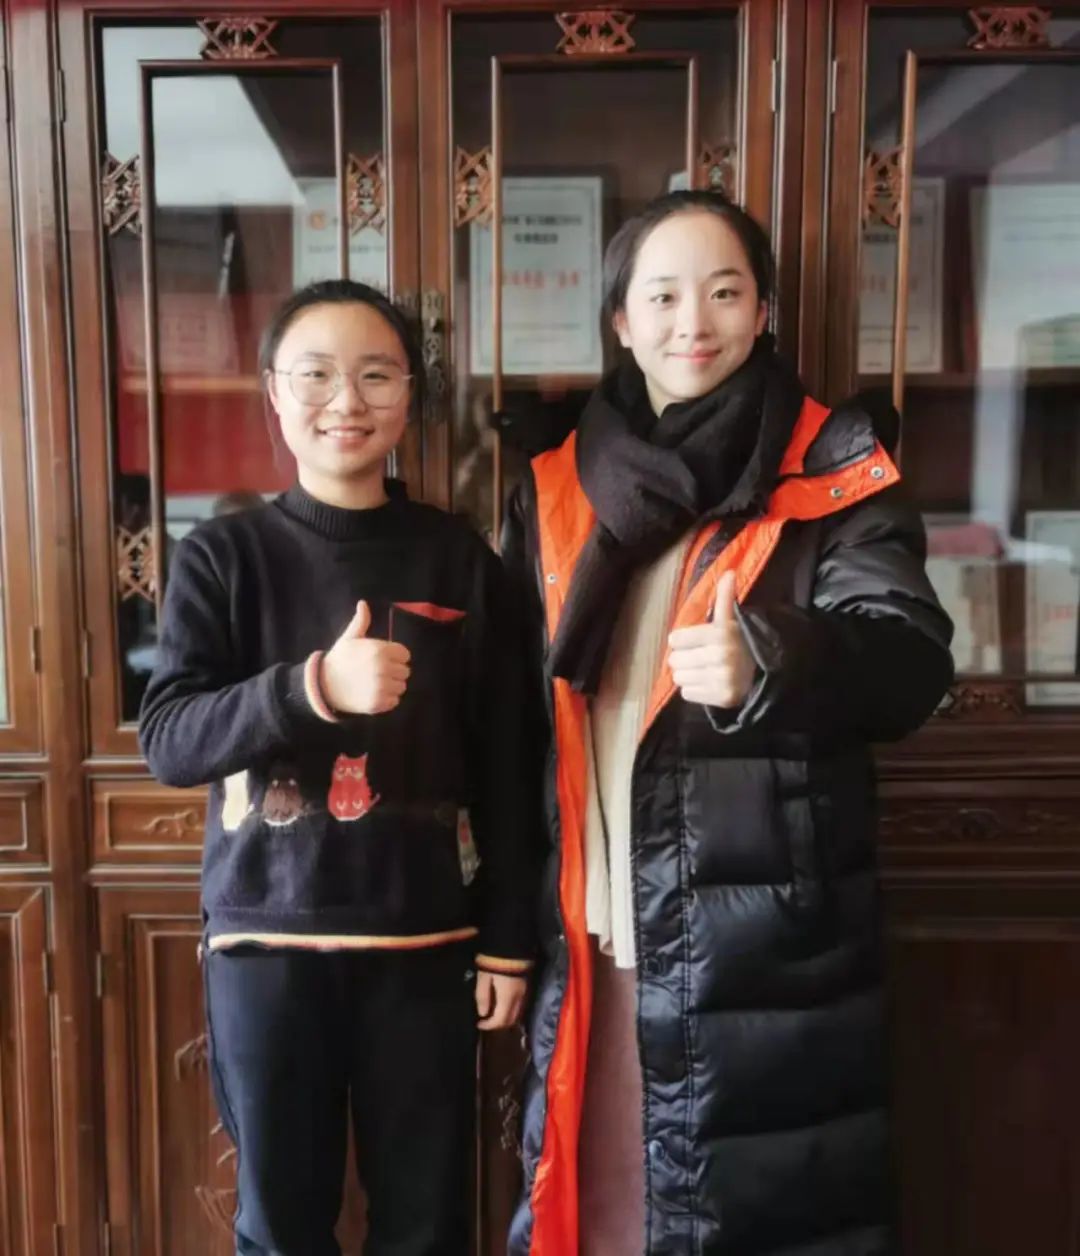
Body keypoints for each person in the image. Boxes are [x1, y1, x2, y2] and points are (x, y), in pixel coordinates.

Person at [502, 191, 954, 1256]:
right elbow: (520, 715)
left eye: (723, 291)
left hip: (760, 942)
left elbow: (910, 662)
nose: (692, 322)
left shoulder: (832, 468)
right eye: (662, 296)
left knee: (754, 1217)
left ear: (764, 312)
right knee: (602, 1211)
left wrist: (775, 659)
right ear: (621, 320)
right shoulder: (559, 484)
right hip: (595, 923)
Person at [139, 279, 535, 1256]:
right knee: (280, 1226)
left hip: (426, 945)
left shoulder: (458, 558)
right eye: (315, 375)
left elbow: (510, 759)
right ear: (275, 392)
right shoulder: (222, 557)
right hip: (266, 949)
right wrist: (310, 688)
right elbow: (171, 738)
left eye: (376, 375)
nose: (346, 401)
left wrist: (507, 939)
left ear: (411, 394)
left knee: (428, 1224)